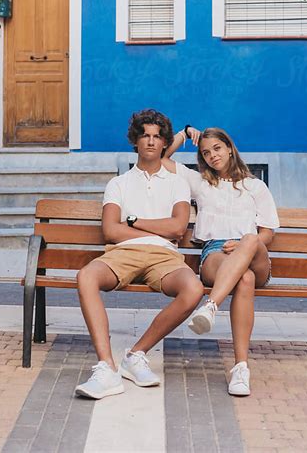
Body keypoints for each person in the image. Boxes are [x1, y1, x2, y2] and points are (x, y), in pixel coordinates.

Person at [75, 109, 204, 400]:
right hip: (123, 254)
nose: (150, 141)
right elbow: (110, 231)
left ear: (164, 143)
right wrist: (157, 231)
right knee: (86, 276)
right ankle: (107, 368)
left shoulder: (177, 182)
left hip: (165, 258)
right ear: (135, 140)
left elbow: (178, 227)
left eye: (157, 137)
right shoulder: (118, 183)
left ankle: (136, 355)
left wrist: (134, 223)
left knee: (194, 288)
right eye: (145, 135)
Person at [162, 125, 279, 397]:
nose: (213, 155)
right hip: (215, 253)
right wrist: (184, 132)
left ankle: (211, 305)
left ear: (229, 148)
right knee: (244, 280)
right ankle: (241, 369)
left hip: (253, 253)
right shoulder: (200, 184)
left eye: (217, 148)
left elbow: (267, 234)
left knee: (250, 240)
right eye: (206, 152)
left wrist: (242, 245)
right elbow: (163, 159)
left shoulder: (255, 186)